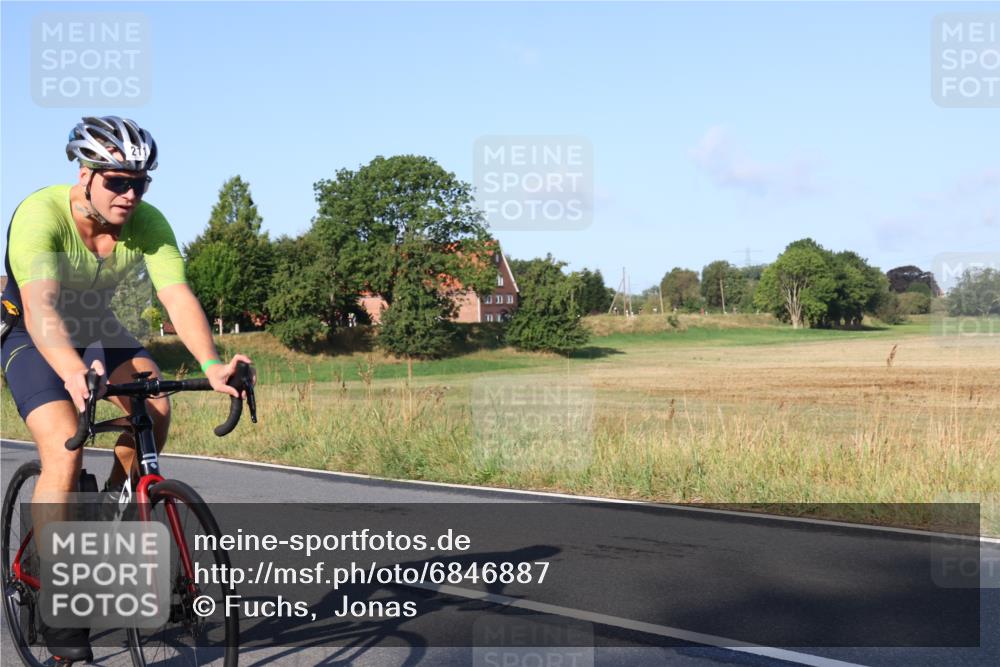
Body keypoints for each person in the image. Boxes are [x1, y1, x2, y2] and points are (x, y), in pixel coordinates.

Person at [0, 116, 254, 663]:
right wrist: (71, 374)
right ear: (85, 174)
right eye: (117, 181)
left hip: (95, 324)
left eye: (141, 182)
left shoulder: (148, 221)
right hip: (31, 332)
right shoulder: (39, 215)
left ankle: (114, 504)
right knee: (64, 446)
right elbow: (42, 310)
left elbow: (177, 297)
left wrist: (211, 364)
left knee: (153, 405)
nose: (131, 193)